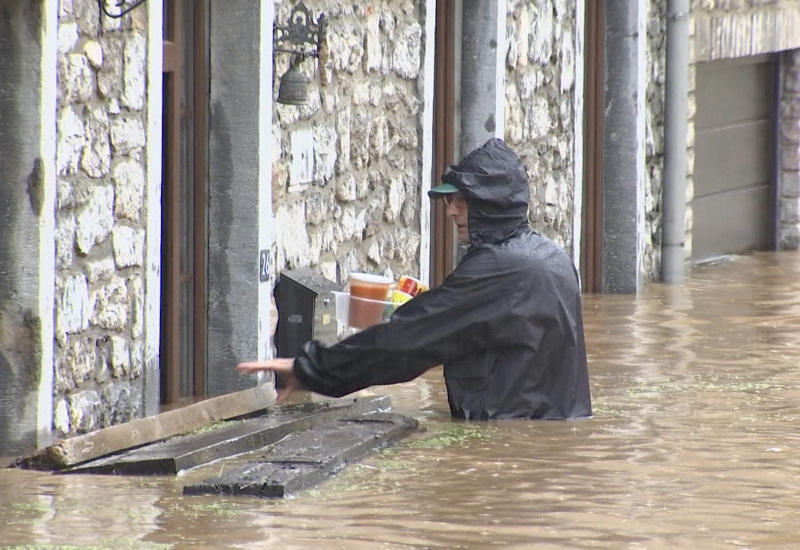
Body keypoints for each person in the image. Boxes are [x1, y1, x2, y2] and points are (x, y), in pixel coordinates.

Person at [237, 138, 592, 420]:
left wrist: (312, 368)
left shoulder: (503, 269)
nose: (450, 211)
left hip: (505, 444)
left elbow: (410, 340)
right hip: (541, 435)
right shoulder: (552, 258)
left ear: (491, 204)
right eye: (449, 201)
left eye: (460, 201)